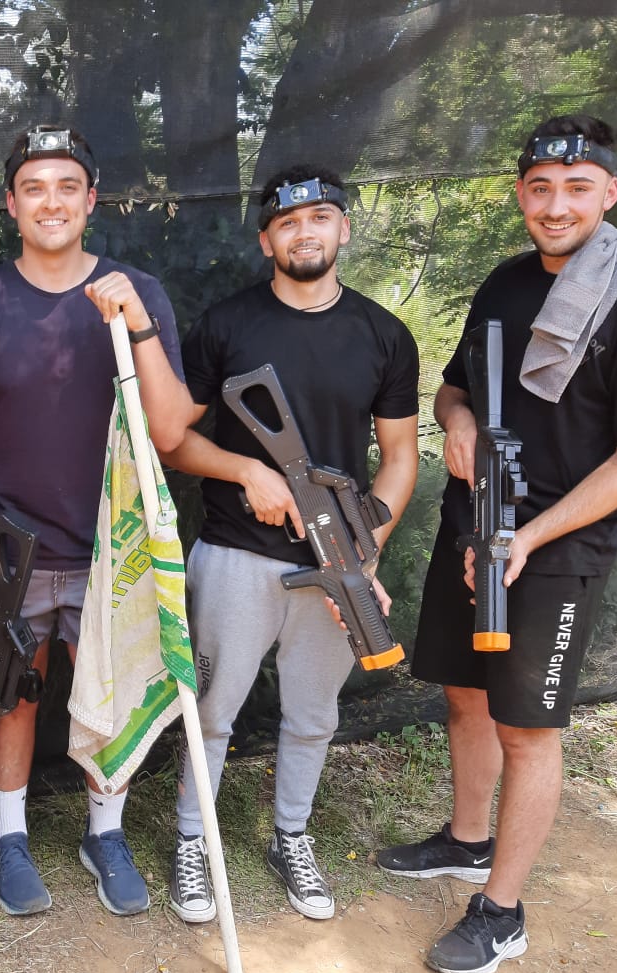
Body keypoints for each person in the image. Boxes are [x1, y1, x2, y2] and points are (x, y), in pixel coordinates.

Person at [377, 115, 617, 973]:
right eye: (541, 188)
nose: (556, 205)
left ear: (611, 193)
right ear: (520, 193)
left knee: (527, 730)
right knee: (465, 697)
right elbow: (450, 390)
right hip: (475, 526)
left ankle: (501, 911)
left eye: (578, 188)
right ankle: (467, 840)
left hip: (554, 548)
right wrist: (461, 422)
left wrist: (532, 536)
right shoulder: (507, 283)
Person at [139, 165, 419, 923]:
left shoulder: (383, 335)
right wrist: (245, 471)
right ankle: (193, 842)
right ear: (267, 239)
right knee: (213, 709)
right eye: (289, 222)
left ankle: (289, 837)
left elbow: (400, 457)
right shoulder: (228, 325)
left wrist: (363, 550)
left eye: (321, 217)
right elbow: (173, 438)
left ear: (343, 230)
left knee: (314, 714)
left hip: (337, 567)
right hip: (236, 552)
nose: (306, 231)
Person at [0, 125, 185, 918]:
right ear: (12, 204)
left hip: (116, 546)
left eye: (66, 186)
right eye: (34, 187)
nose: (51, 201)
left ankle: (103, 834)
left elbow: (170, 430)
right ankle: (11, 838)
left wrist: (136, 320)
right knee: (14, 696)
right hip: (14, 551)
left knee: (113, 691)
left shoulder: (133, 292)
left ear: (91, 200)